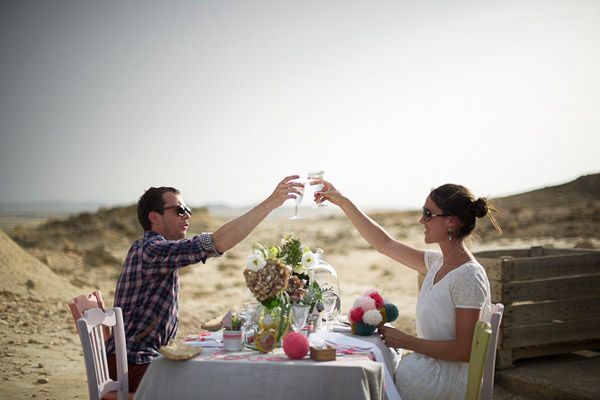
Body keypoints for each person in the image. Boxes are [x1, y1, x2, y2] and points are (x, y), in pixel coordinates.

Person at [106, 175, 303, 392]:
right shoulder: (151, 251)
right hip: (135, 366)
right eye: (179, 210)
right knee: (216, 383)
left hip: (141, 361)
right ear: (155, 217)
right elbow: (216, 242)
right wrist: (270, 203)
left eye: (188, 209)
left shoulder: (155, 250)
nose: (187, 215)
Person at [313, 180, 501, 400]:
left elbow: (464, 350)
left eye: (428, 213)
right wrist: (343, 202)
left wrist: (406, 342)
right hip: (429, 370)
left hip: (442, 382)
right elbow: (384, 244)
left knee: (353, 385)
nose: (421, 219)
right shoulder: (438, 263)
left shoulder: (468, 276)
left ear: (451, 222)